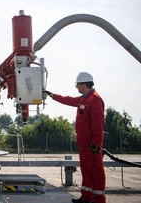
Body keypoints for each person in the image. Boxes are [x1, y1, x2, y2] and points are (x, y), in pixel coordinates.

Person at [44, 72, 106, 203]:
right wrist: (51, 95)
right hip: (83, 143)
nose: (76, 87)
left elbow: (98, 123)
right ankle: (86, 197)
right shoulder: (84, 98)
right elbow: (68, 100)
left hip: (91, 145)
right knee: (86, 170)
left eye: (77, 85)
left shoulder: (94, 99)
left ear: (84, 84)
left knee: (96, 171)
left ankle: (99, 199)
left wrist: (96, 142)